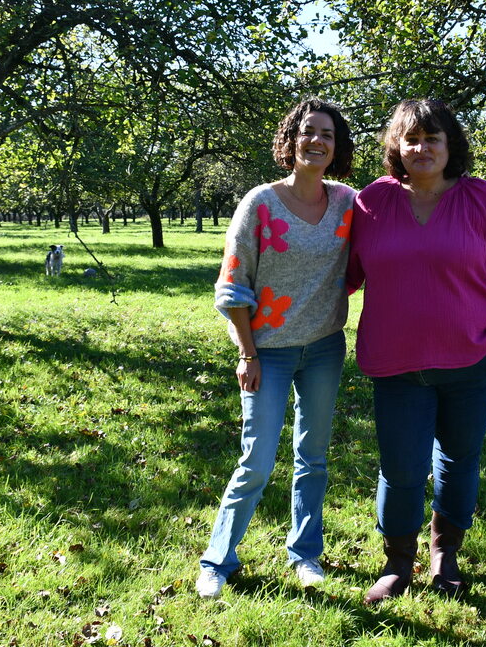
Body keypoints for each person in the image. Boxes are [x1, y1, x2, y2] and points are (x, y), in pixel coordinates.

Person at [346, 98, 486, 604]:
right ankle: (397, 561)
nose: (421, 147)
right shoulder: (372, 202)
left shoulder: (483, 200)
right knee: (402, 467)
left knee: (458, 460)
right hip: (396, 365)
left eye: (432, 138)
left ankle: (444, 553)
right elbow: (339, 271)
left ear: (450, 145)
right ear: (395, 148)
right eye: (411, 139)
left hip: (474, 364)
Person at [196, 98, 356, 599]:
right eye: (308, 131)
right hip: (268, 351)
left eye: (327, 134)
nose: (317, 141)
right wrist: (247, 352)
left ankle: (305, 553)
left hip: (325, 347)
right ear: (291, 140)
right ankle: (218, 559)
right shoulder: (260, 203)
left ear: (337, 147)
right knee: (257, 460)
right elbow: (232, 285)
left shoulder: (350, 203)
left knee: (313, 457)